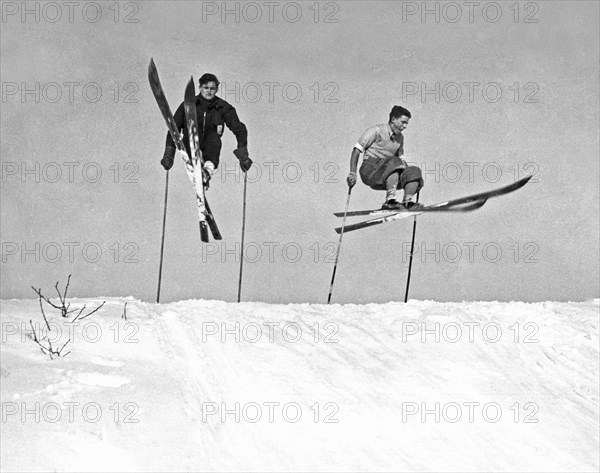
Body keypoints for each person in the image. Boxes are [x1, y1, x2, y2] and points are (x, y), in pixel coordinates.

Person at [161, 73, 252, 181]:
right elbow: (173, 129)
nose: (209, 91)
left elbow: (240, 130)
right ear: (200, 88)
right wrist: (168, 155)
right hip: (191, 145)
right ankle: (195, 167)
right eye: (206, 88)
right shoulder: (188, 105)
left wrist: (243, 156)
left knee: (214, 137)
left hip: (211, 149)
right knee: (191, 135)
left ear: (217, 89)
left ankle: (207, 172)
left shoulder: (223, 107)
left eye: (212, 88)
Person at [346, 105, 424, 210]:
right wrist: (352, 173)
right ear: (393, 119)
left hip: (388, 173)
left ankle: (407, 202)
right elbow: (356, 150)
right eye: (403, 122)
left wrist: (411, 177)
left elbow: (401, 160)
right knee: (395, 162)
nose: (405, 126)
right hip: (370, 170)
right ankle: (390, 201)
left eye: (407, 123)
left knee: (414, 170)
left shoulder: (400, 138)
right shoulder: (376, 131)